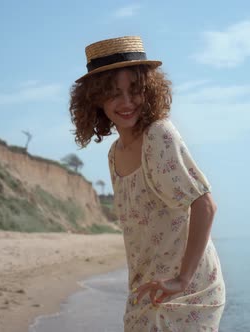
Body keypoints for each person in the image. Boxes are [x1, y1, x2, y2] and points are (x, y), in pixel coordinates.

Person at [69, 36, 225, 331]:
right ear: (95, 99)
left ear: (149, 90)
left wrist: (183, 278)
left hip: (188, 291)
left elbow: (205, 204)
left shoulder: (159, 135)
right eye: (114, 93)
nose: (126, 102)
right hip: (146, 289)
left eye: (135, 90)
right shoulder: (115, 154)